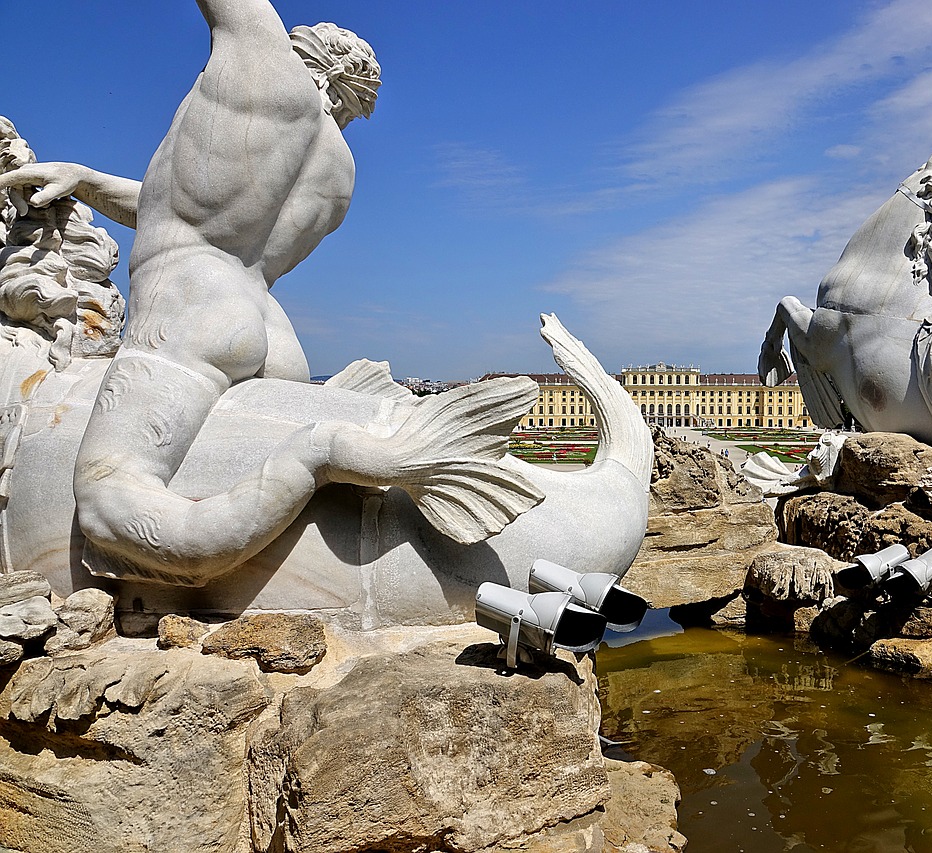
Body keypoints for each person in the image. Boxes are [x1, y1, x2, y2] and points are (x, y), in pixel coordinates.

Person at [0, 1, 539, 585]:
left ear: (307, 58)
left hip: (187, 308)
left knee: (109, 501)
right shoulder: (339, 171)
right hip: (268, 326)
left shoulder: (258, 57)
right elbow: (187, 207)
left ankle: (323, 452)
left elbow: (189, 224)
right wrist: (87, 180)